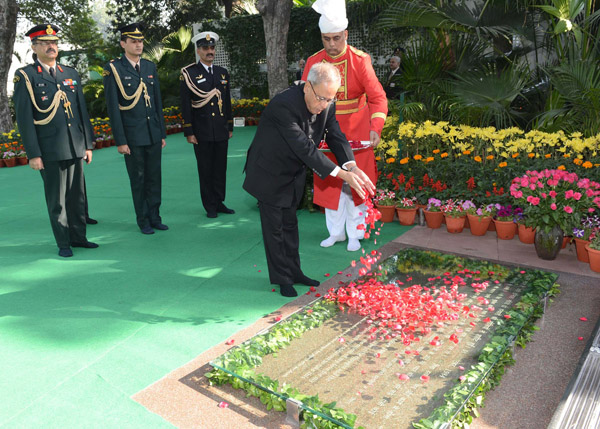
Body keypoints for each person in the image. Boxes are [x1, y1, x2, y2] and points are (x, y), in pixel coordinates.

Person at [243, 62, 375, 298]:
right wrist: (342, 175)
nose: (324, 105)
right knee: (275, 229)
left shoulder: (325, 103)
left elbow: (335, 135)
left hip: (293, 172)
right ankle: (282, 279)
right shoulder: (283, 105)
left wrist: (352, 166)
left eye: (330, 99)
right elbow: (305, 149)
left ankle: (295, 272)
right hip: (269, 172)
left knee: (290, 224)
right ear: (307, 87)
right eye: (321, 98)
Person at [303, 0, 387, 252]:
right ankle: (336, 233)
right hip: (325, 133)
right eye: (326, 39)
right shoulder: (314, 61)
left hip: (358, 132)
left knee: (356, 185)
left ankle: (355, 233)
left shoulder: (360, 61)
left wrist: (376, 127)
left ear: (346, 35)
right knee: (329, 184)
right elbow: (304, 99)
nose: (331, 44)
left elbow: (378, 97)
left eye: (336, 38)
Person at [13, 24, 98, 257]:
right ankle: (63, 243)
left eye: (54, 42)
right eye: (45, 43)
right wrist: (33, 154)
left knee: (77, 196)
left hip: (74, 144)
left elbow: (81, 111)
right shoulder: (27, 76)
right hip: (49, 149)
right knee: (57, 200)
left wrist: (87, 144)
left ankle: (79, 237)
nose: (51, 46)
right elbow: (25, 119)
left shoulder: (69, 73)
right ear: (34, 47)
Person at [103, 23, 168, 234]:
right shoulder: (114, 69)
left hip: (152, 133)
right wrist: (121, 140)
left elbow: (157, 102)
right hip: (132, 136)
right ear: (123, 44)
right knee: (138, 179)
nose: (139, 45)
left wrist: (161, 133)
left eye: (140, 41)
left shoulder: (149, 67)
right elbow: (114, 108)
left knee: (154, 177)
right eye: (133, 41)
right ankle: (143, 220)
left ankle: (155, 216)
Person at [180, 31, 234, 218]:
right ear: (198, 51)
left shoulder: (222, 73)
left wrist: (229, 126)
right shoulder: (189, 73)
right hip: (201, 130)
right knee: (205, 169)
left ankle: (219, 202)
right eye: (205, 48)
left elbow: (226, 101)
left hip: (219, 129)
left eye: (212, 48)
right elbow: (186, 104)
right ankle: (209, 205)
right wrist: (189, 130)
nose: (209, 51)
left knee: (220, 168)